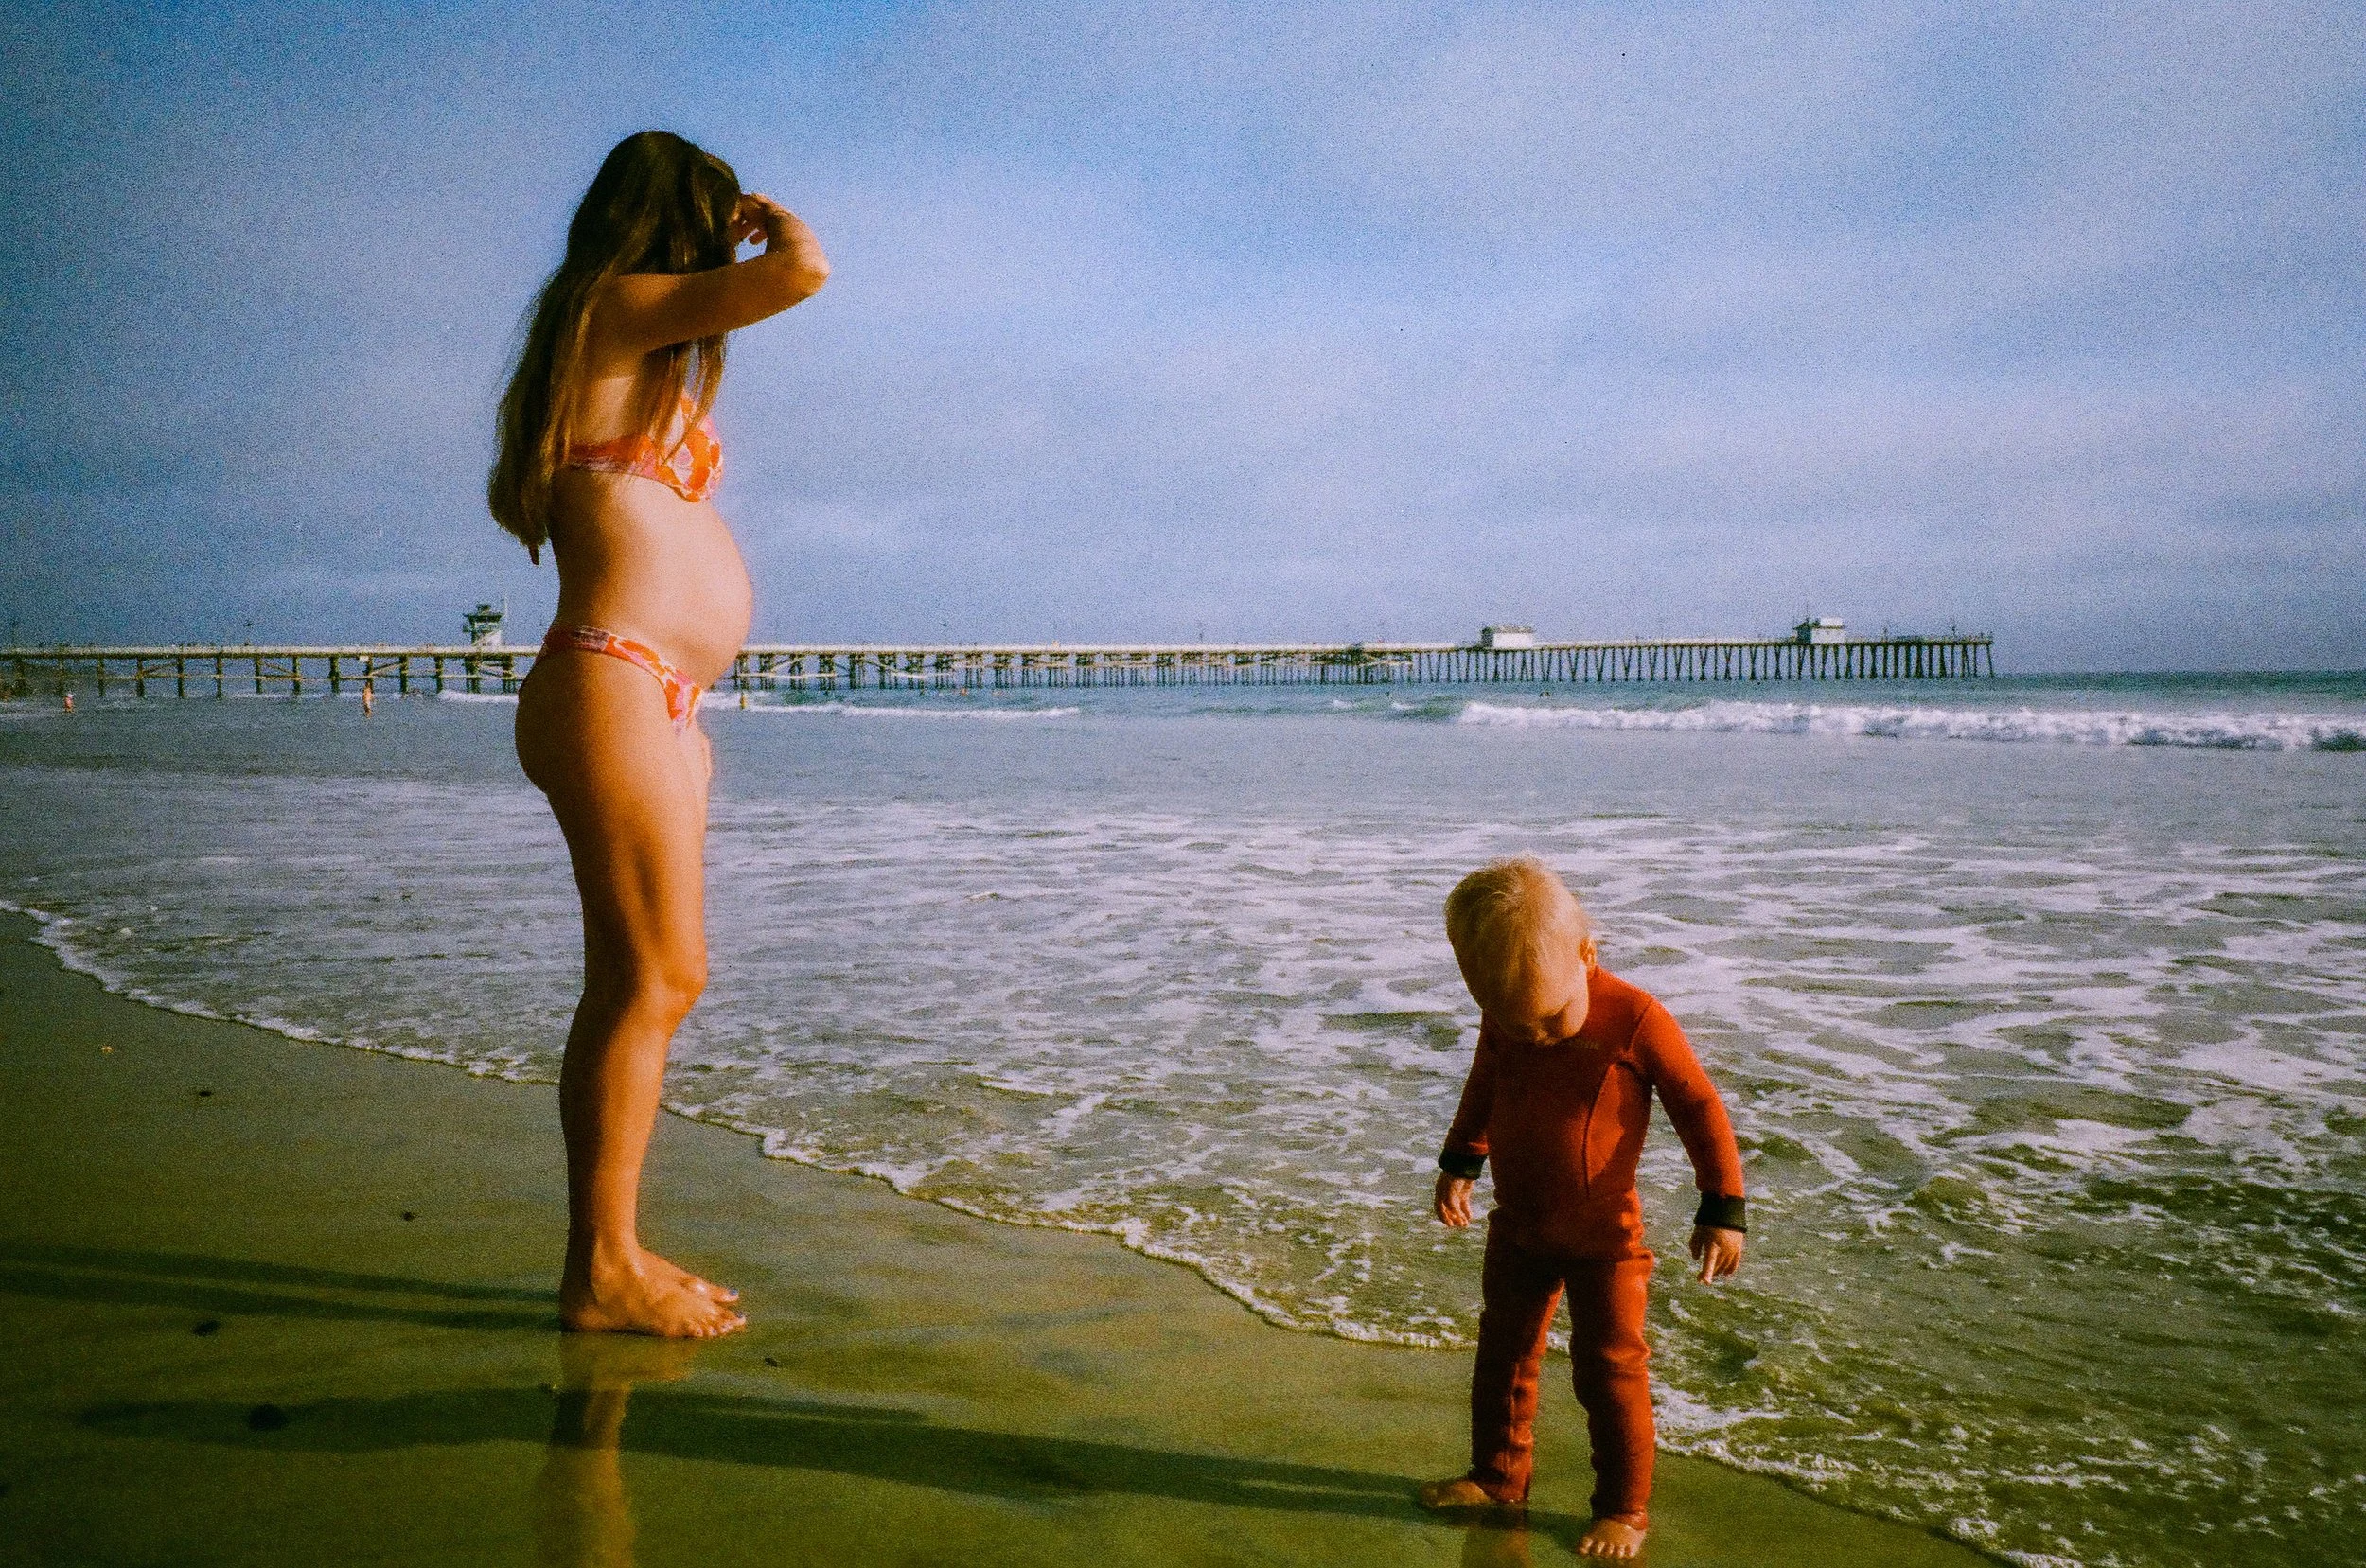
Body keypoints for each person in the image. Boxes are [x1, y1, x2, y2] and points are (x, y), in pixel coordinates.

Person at [489, 131, 829, 1337]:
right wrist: (768, 220)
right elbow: (802, 273)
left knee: (654, 977)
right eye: (706, 224)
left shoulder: (632, 344)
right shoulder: (610, 305)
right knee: (653, 975)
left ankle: (611, 1251)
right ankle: (600, 1268)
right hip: (611, 678)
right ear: (677, 225)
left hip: (654, 695)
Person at [1417, 857, 1748, 1559]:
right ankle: (1499, 1475)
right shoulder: (1510, 1014)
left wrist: (1722, 1203)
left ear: (1587, 954)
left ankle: (1623, 1508)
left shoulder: (1635, 1017)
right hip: (1519, 1226)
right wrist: (1460, 1160)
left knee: (1610, 1369)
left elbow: (1698, 1104)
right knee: (1502, 1353)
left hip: (1606, 1238)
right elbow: (1486, 1083)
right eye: (1511, 1021)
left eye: (1547, 1019)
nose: (1531, 1035)